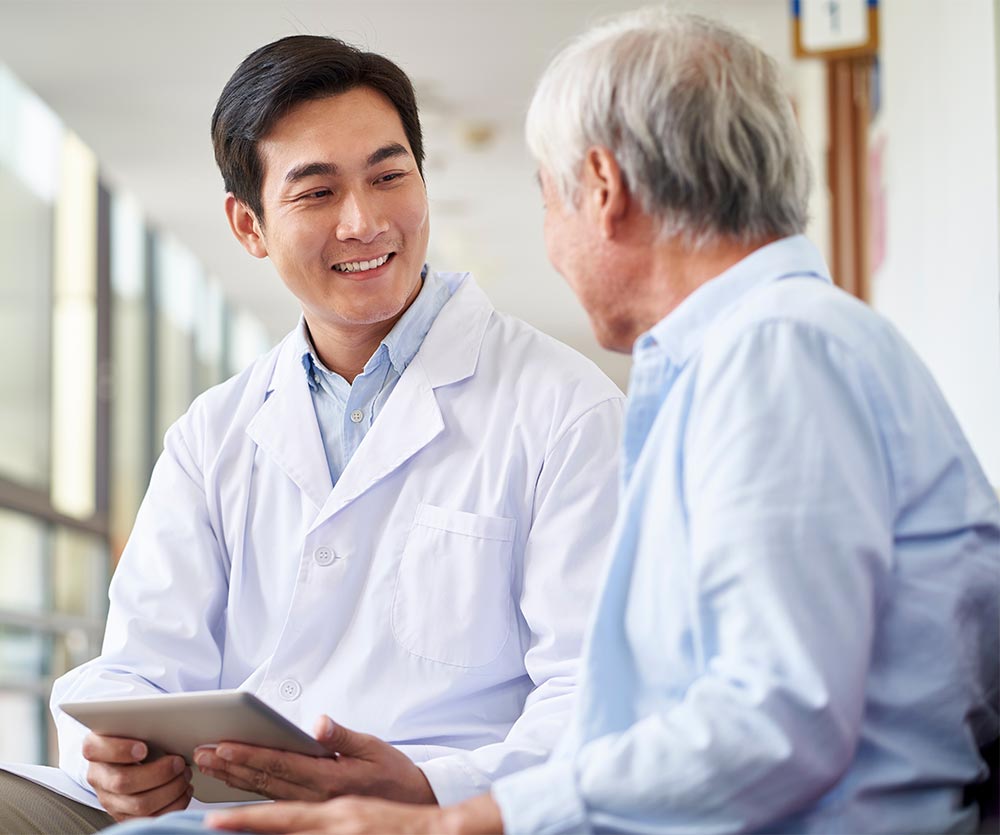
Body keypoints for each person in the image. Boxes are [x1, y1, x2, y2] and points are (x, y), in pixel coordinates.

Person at [153, 8, 997, 835]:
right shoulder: (761, 352)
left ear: (603, 189)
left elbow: (774, 725)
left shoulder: (777, 354)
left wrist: (458, 819)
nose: (552, 240)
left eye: (547, 196)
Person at [0, 34, 624, 833]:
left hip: (444, 816)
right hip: (215, 811)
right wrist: (118, 762)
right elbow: (139, 664)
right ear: (249, 224)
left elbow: (595, 694)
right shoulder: (213, 432)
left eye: (389, 176)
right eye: (318, 191)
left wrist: (430, 788)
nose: (364, 221)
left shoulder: (566, 407)